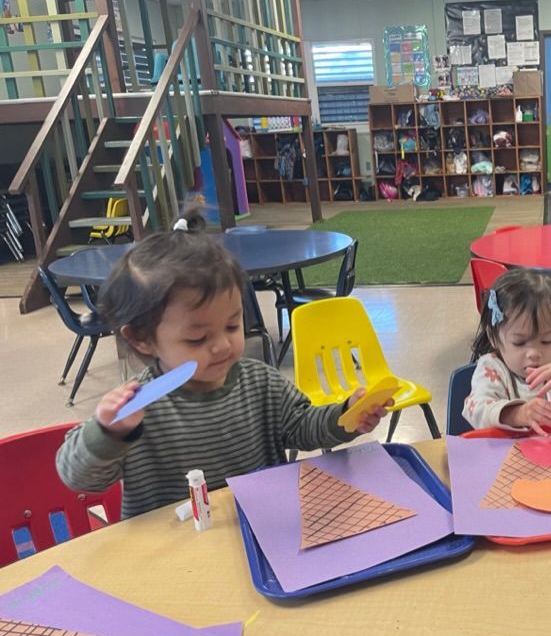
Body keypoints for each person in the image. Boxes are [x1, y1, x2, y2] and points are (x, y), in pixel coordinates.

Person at [57, 211, 390, 518]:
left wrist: (345, 415)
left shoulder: (259, 381)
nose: (221, 346)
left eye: (233, 326)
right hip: (176, 555)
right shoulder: (138, 407)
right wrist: (108, 433)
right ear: (142, 339)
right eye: (197, 338)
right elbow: (78, 477)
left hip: (259, 530)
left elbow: (301, 428)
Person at [463, 269, 551, 433]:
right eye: (519, 342)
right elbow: (475, 410)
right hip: (505, 454)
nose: (534, 353)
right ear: (493, 337)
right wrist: (518, 414)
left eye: (546, 341)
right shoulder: (491, 368)